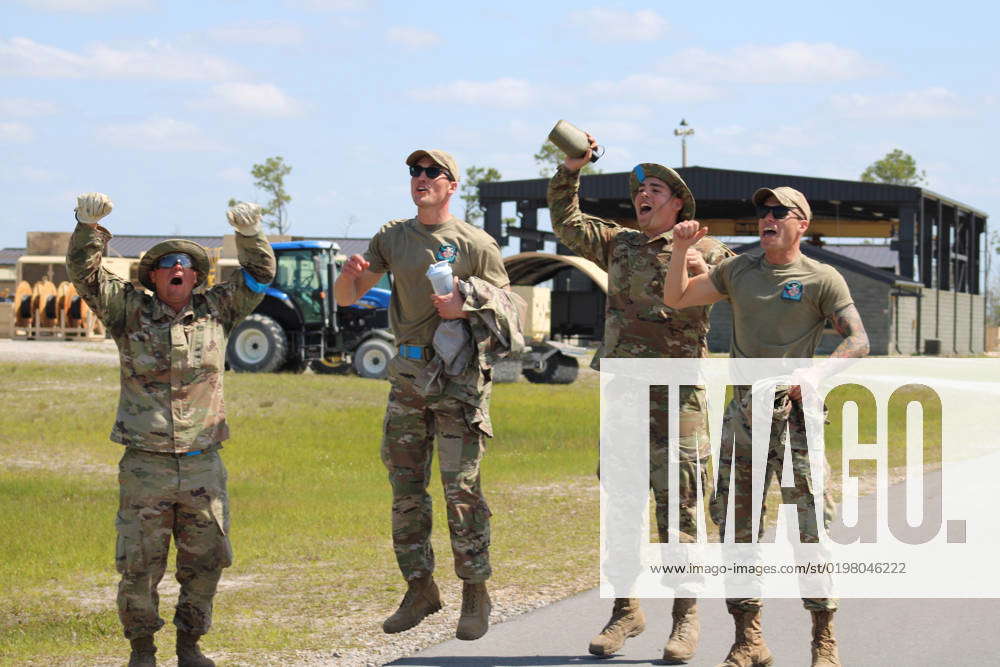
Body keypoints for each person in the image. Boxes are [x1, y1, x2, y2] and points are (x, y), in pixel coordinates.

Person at [66, 193, 276, 667]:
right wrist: (87, 228)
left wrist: (249, 237)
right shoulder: (128, 311)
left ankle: (190, 646)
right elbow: (86, 276)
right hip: (146, 464)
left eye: (185, 264)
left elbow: (261, 276)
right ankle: (142, 650)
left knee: (205, 561)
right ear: (154, 276)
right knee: (139, 565)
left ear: (197, 277)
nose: (177, 269)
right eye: (166, 265)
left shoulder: (217, 309)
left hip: (204, 463)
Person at [664, 186, 870, 667]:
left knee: (810, 530)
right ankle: (749, 639)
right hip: (743, 419)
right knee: (738, 530)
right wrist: (678, 250)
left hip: (797, 419)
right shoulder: (739, 271)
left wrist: (817, 373)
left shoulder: (823, 278)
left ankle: (824, 641)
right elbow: (677, 298)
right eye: (762, 211)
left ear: (802, 223)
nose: (767, 218)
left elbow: (858, 340)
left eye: (780, 212)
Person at [547, 132, 732, 662]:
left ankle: (685, 618)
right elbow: (567, 221)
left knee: (681, 508)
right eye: (639, 190)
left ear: (678, 203)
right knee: (622, 507)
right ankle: (625, 609)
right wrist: (571, 169)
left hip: (680, 398)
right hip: (626, 393)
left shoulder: (711, 249)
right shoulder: (619, 244)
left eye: (655, 188)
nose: (642, 196)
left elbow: (743, 284)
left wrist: (705, 269)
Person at [334, 149, 515, 641]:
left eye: (432, 172)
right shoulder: (393, 237)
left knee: (462, 490)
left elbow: (508, 310)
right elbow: (347, 297)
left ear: (451, 184)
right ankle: (420, 588)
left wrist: (467, 302)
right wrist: (350, 275)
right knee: (405, 489)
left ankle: (475, 592)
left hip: (459, 379)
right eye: (414, 172)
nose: (421, 179)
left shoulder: (476, 243)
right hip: (409, 377)